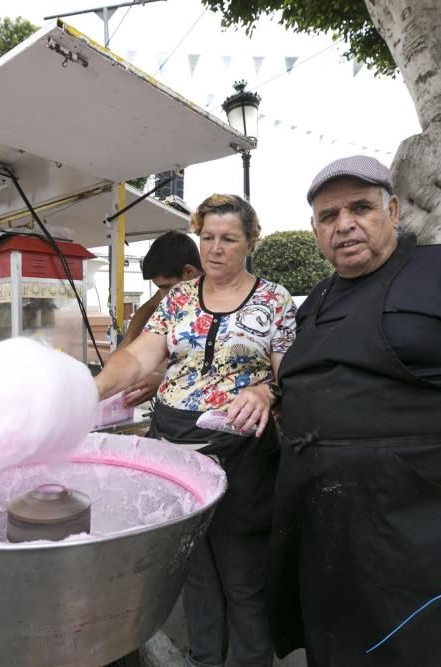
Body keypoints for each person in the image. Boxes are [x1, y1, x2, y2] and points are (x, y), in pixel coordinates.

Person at [270, 156, 441, 666]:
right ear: (315, 231)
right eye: (328, 216)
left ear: (393, 211)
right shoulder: (316, 302)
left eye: (360, 207)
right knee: (333, 645)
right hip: (323, 519)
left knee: (417, 649)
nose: (345, 224)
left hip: (419, 519)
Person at [96, 194, 297, 667]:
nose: (215, 248)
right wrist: (92, 390)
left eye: (229, 238)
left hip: (241, 454)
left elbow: (292, 375)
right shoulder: (180, 299)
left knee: (243, 577)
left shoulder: (274, 299)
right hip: (174, 450)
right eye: (207, 237)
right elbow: (140, 355)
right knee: (195, 572)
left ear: (251, 242)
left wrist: (267, 393)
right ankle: (204, 659)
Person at [121, 230, 202, 407]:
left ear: (189, 272)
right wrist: (125, 345)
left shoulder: (221, 303)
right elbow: (148, 307)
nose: (163, 296)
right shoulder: (175, 294)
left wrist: (163, 381)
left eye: (166, 287)